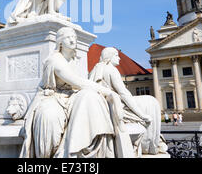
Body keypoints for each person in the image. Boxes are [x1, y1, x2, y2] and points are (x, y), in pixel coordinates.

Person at [20, 27, 124, 158]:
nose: (73, 39)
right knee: (49, 117)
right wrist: (109, 92)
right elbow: (78, 82)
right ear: (60, 42)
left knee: (91, 97)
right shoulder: (55, 60)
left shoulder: (75, 59)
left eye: (74, 37)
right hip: (53, 96)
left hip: (70, 95)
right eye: (68, 37)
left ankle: (83, 148)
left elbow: (80, 84)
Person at [89, 47, 167, 155]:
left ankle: (153, 141)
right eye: (116, 55)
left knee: (148, 102)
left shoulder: (96, 69)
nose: (119, 58)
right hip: (115, 105)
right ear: (109, 57)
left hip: (106, 104)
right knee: (151, 102)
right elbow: (124, 94)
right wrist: (142, 114)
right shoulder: (111, 70)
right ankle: (151, 145)